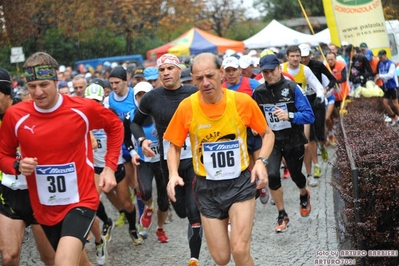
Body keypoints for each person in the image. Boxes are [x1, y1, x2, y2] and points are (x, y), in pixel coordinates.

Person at [0, 52, 123, 266]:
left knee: (63, 263)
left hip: (80, 200)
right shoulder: (16, 116)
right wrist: (17, 165)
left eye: (44, 84)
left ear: (57, 81)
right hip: (45, 207)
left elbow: (115, 126)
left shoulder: (82, 109)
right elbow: (3, 155)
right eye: (32, 86)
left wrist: (110, 167)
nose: (38, 92)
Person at [164, 52, 274, 266]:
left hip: (240, 183)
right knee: (222, 258)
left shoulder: (242, 102)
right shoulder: (187, 107)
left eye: (210, 76)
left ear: (221, 74)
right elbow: (174, 145)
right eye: (199, 78)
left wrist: (261, 161)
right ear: (192, 80)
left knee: (240, 250)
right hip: (206, 188)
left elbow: (267, 134)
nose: (205, 82)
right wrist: (173, 174)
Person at [130, 54, 202, 266]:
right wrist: (142, 140)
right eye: (162, 70)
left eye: (170, 68)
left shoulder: (194, 93)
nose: (166, 73)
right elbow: (135, 123)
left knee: (192, 210)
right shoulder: (152, 98)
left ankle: (194, 257)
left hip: (194, 161)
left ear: (180, 71)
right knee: (179, 210)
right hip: (167, 163)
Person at [253, 54, 314, 233]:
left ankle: (304, 193)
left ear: (280, 68)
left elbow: (310, 115)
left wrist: (290, 116)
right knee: (272, 174)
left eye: (271, 71)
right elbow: (254, 116)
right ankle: (282, 214)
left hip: (293, 139)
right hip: (271, 141)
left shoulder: (292, 87)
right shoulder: (259, 92)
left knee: (296, 175)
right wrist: (255, 127)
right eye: (265, 72)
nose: (269, 75)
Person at [0, 67, 54, 266]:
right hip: (9, 190)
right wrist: (15, 164)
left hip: (39, 192)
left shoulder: (28, 113)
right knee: (9, 256)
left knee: (50, 258)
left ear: (6, 93)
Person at [124, 81, 169, 243]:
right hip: (144, 161)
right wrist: (133, 152)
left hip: (162, 162)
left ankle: (160, 228)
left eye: (145, 95)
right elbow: (126, 140)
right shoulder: (130, 117)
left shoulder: (162, 113)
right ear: (135, 97)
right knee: (144, 191)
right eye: (139, 95)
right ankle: (148, 207)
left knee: (164, 201)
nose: (142, 99)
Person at [282, 45, 324, 186]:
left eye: (297, 56)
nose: (295, 59)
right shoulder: (281, 69)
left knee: (306, 145)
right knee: (281, 148)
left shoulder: (305, 70)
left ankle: (309, 175)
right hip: (284, 113)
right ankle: (287, 175)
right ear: (287, 57)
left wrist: (319, 97)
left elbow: (318, 86)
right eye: (292, 56)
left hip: (301, 110)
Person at [375, 49, 399, 126]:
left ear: (385, 55)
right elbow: (380, 74)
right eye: (379, 57)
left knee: (395, 103)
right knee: (385, 103)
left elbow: (390, 75)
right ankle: (394, 116)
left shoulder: (391, 64)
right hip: (386, 86)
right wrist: (378, 79)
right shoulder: (380, 64)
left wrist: (380, 76)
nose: (380, 58)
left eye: (381, 57)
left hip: (393, 85)